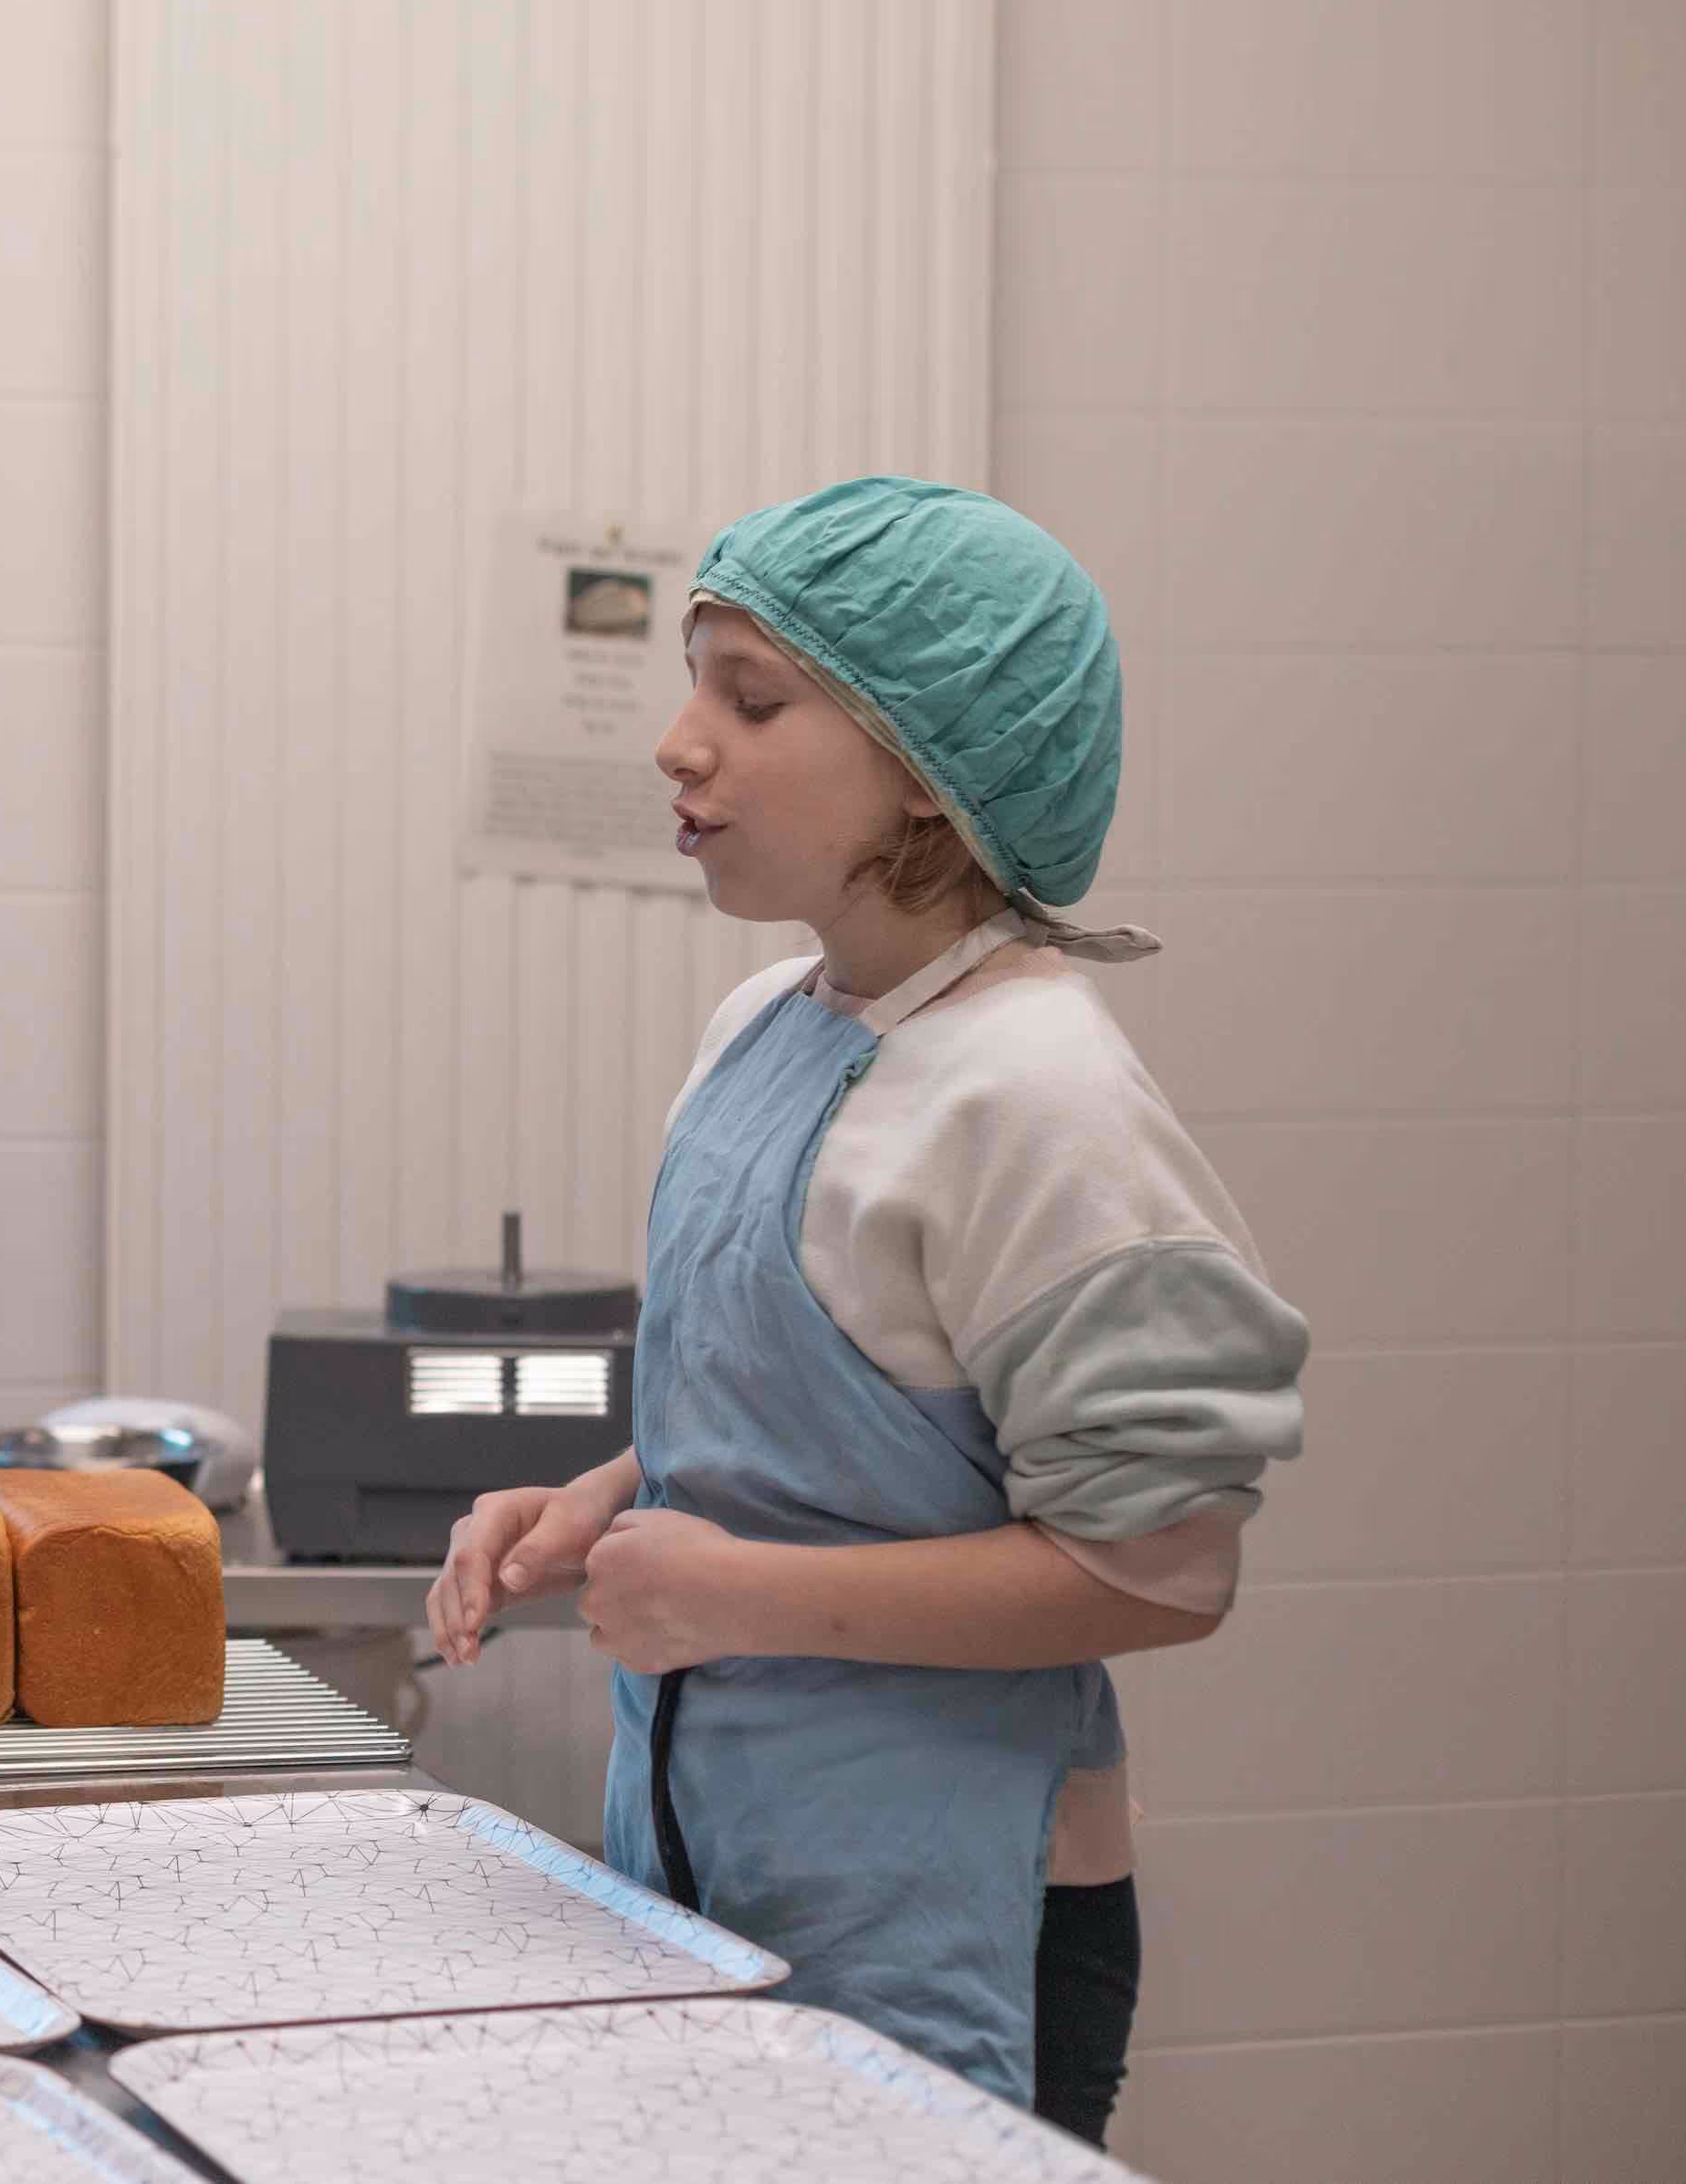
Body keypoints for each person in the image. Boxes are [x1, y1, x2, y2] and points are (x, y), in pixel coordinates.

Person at [425, 478, 1305, 2142]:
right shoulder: (771, 1021)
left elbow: (1168, 1565)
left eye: (751, 698)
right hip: (730, 1886)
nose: (678, 743)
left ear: (926, 765)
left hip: (955, 1923)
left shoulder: (1040, 1095)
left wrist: (731, 1594)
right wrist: (601, 1506)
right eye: (694, 681)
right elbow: (818, 1428)